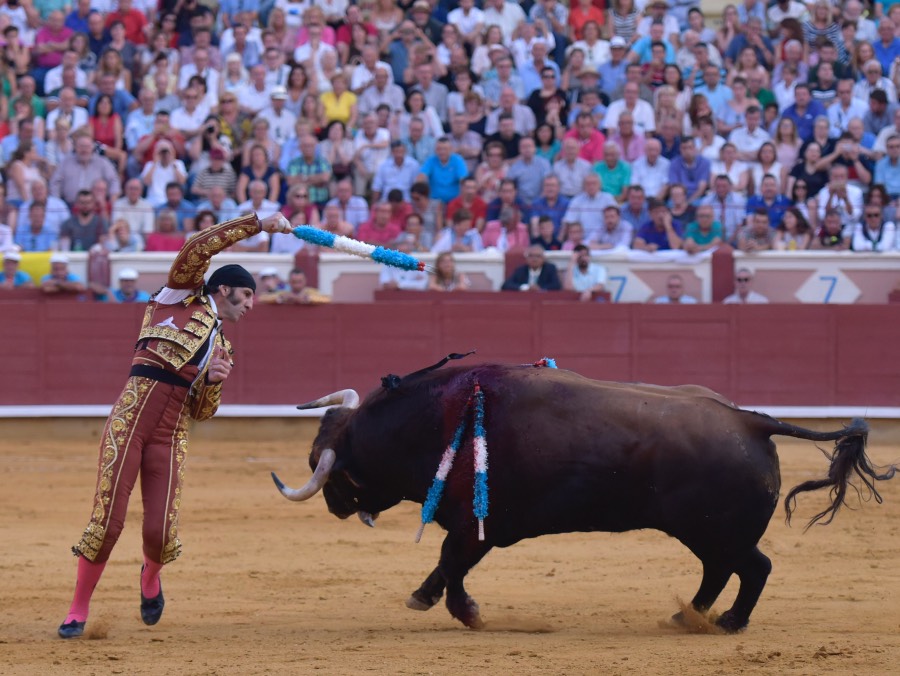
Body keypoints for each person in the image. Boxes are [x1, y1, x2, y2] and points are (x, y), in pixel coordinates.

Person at [58, 212, 293, 640]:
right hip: (130, 420)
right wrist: (259, 224)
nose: (251, 305)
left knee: (161, 531)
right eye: (246, 295)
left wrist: (214, 383)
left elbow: (202, 411)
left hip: (170, 432)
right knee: (108, 520)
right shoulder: (180, 296)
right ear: (223, 290)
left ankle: (150, 576)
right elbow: (197, 248)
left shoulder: (223, 347)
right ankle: (78, 608)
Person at [258, 268, 331, 304]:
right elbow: (262, 298)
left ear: (305, 281)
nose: (297, 285)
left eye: (299, 282)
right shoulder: (284, 293)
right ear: (289, 282)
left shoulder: (310, 292)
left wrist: (308, 299)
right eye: (294, 282)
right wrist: (280, 298)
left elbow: (328, 299)